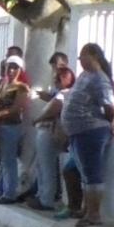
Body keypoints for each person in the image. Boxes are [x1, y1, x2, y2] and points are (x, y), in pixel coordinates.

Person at [58, 43, 114, 227]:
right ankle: (85, 209)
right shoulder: (85, 75)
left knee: (91, 173)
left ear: (93, 56)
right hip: (78, 132)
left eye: (82, 56)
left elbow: (109, 106)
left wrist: (110, 121)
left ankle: (94, 214)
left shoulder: (100, 79)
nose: (80, 60)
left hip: (91, 131)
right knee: (80, 172)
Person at [0, 56, 30, 204]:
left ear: (20, 70)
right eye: (9, 67)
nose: (11, 70)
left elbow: (16, 109)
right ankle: (0, 189)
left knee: (8, 160)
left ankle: (9, 193)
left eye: (15, 68)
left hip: (10, 127)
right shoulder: (0, 85)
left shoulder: (21, 88)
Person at [30, 67, 75, 212]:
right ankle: (43, 196)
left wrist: (38, 119)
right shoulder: (63, 93)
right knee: (42, 165)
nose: (55, 81)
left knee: (46, 166)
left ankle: (46, 199)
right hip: (49, 131)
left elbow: (54, 108)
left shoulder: (64, 94)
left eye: (59, 78)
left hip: (49, 130)